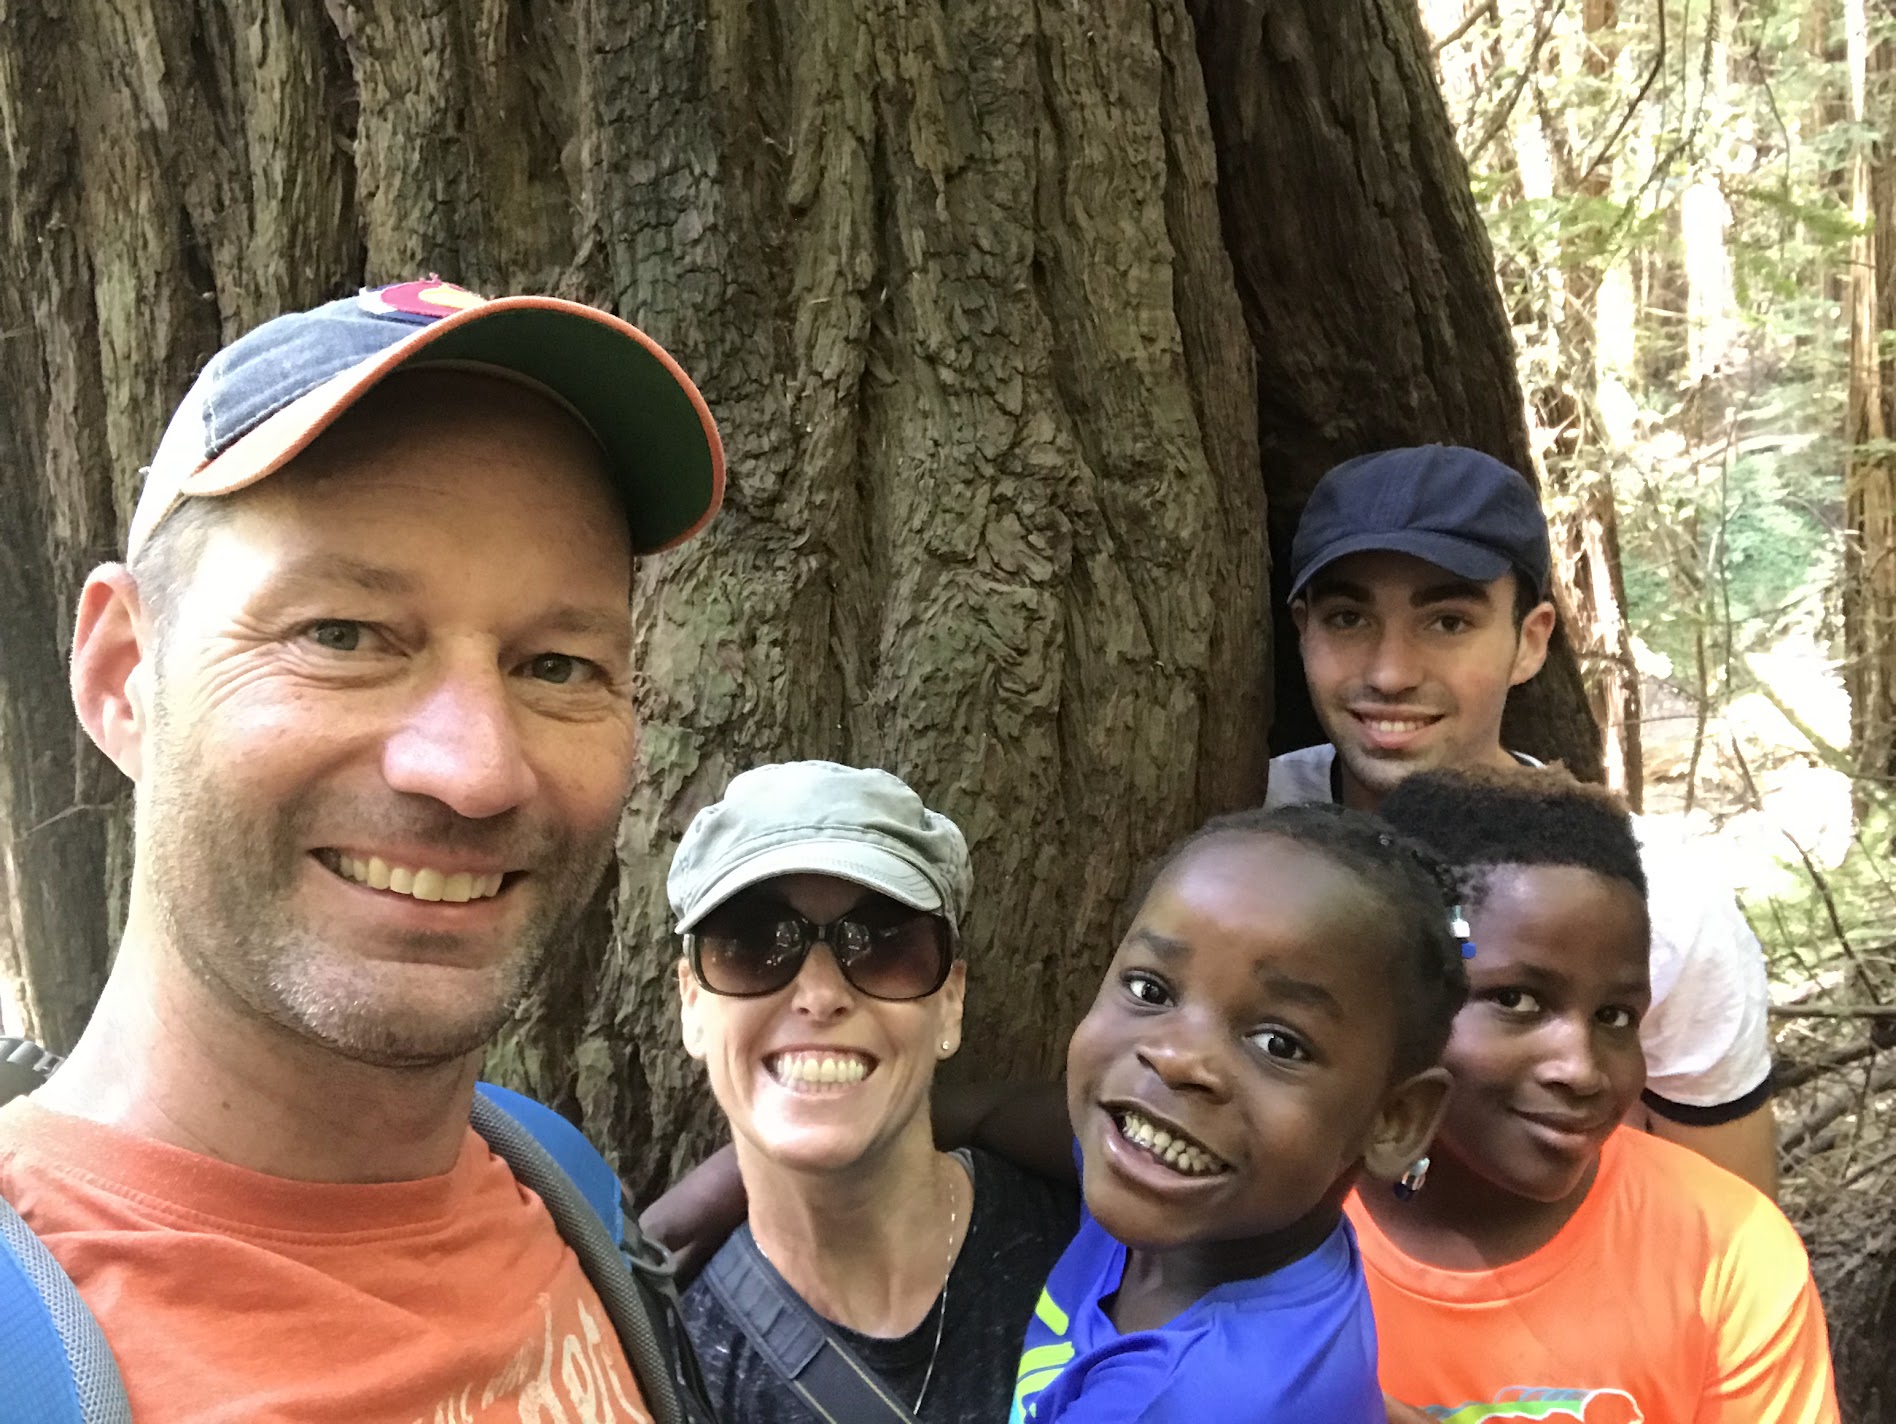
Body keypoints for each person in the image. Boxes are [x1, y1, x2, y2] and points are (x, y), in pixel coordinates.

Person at [0, 279, 724, 1421]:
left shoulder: (567, 1193)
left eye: (556, 665)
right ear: (124, 673)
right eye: (341, 634)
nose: (475, 769)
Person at [1267, 444, 1779, 1195]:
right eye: (1348, 618)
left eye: (1447, 621)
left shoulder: (1659, 903)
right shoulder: (1235, 832)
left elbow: (1728, 1225)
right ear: (1303, 630)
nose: (1389, 672)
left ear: (1530, 641)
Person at [1354, 767, 1838, 1420]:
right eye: (1517, 1000)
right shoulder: (1276, 1224)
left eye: (1614, 1016)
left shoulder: (1729, 1252)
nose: (1581, 1070)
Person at [1005, 803, 1465, 1423]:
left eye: (1279, 1044)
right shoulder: (1207, 1194)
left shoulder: (1195, 1400)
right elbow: (1015, 1118)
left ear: (1395, 1120)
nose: (1175, 1059)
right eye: (1149, 990)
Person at [668, 760, 1077, 1424]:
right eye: (753, 944)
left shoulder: (1093, 1248)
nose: (820, 994)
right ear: (692, 1004)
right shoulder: (661, 1366)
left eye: (885, 945)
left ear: (950, 1003)